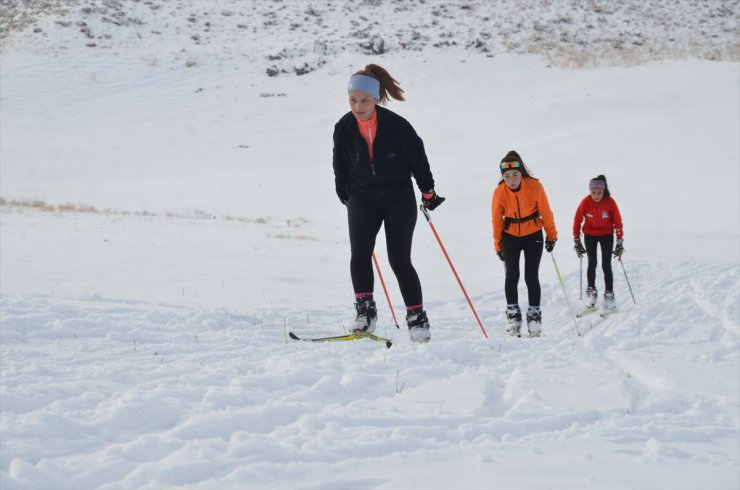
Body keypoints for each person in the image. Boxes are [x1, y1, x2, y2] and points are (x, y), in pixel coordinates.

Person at [332, 64, 445, 343]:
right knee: (360, 252)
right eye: (353, 100)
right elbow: (339, 165)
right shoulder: (344, 128)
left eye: (364, 100)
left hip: (398, 197)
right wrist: (344, 193)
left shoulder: (398, 127)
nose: (358, 106)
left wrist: (428, 191)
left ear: (376, 99)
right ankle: (365, 312)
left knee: (399, 258)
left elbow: (419, 160)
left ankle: (417, 318)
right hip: (362, 196)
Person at [491, 151, 557, 337]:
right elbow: (496, 219)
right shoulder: (499, 192)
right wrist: (498, 245)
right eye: (507, 176)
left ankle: (534, 316)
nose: (511, 180)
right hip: (510, 236)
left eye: (515, 175)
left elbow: (546, 211)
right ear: (502, 176)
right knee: (512, 275)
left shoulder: (535, 186)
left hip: (533, 234)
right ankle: (513, 316)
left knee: (530, 275)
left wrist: (551, 235)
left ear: (521, 173)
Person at [572, 175, 624, 310]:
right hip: (590, 235)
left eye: (599, 193)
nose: (596, 196)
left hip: (607, 235)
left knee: (606, 264)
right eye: (593, 192)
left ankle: (609, 295)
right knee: (592, 262)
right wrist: (577, 240)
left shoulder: (610, 202)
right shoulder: (585, 202)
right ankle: (591, 293)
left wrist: (619, 241)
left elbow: (618, 222)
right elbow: (577, 221)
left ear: (604, 191)